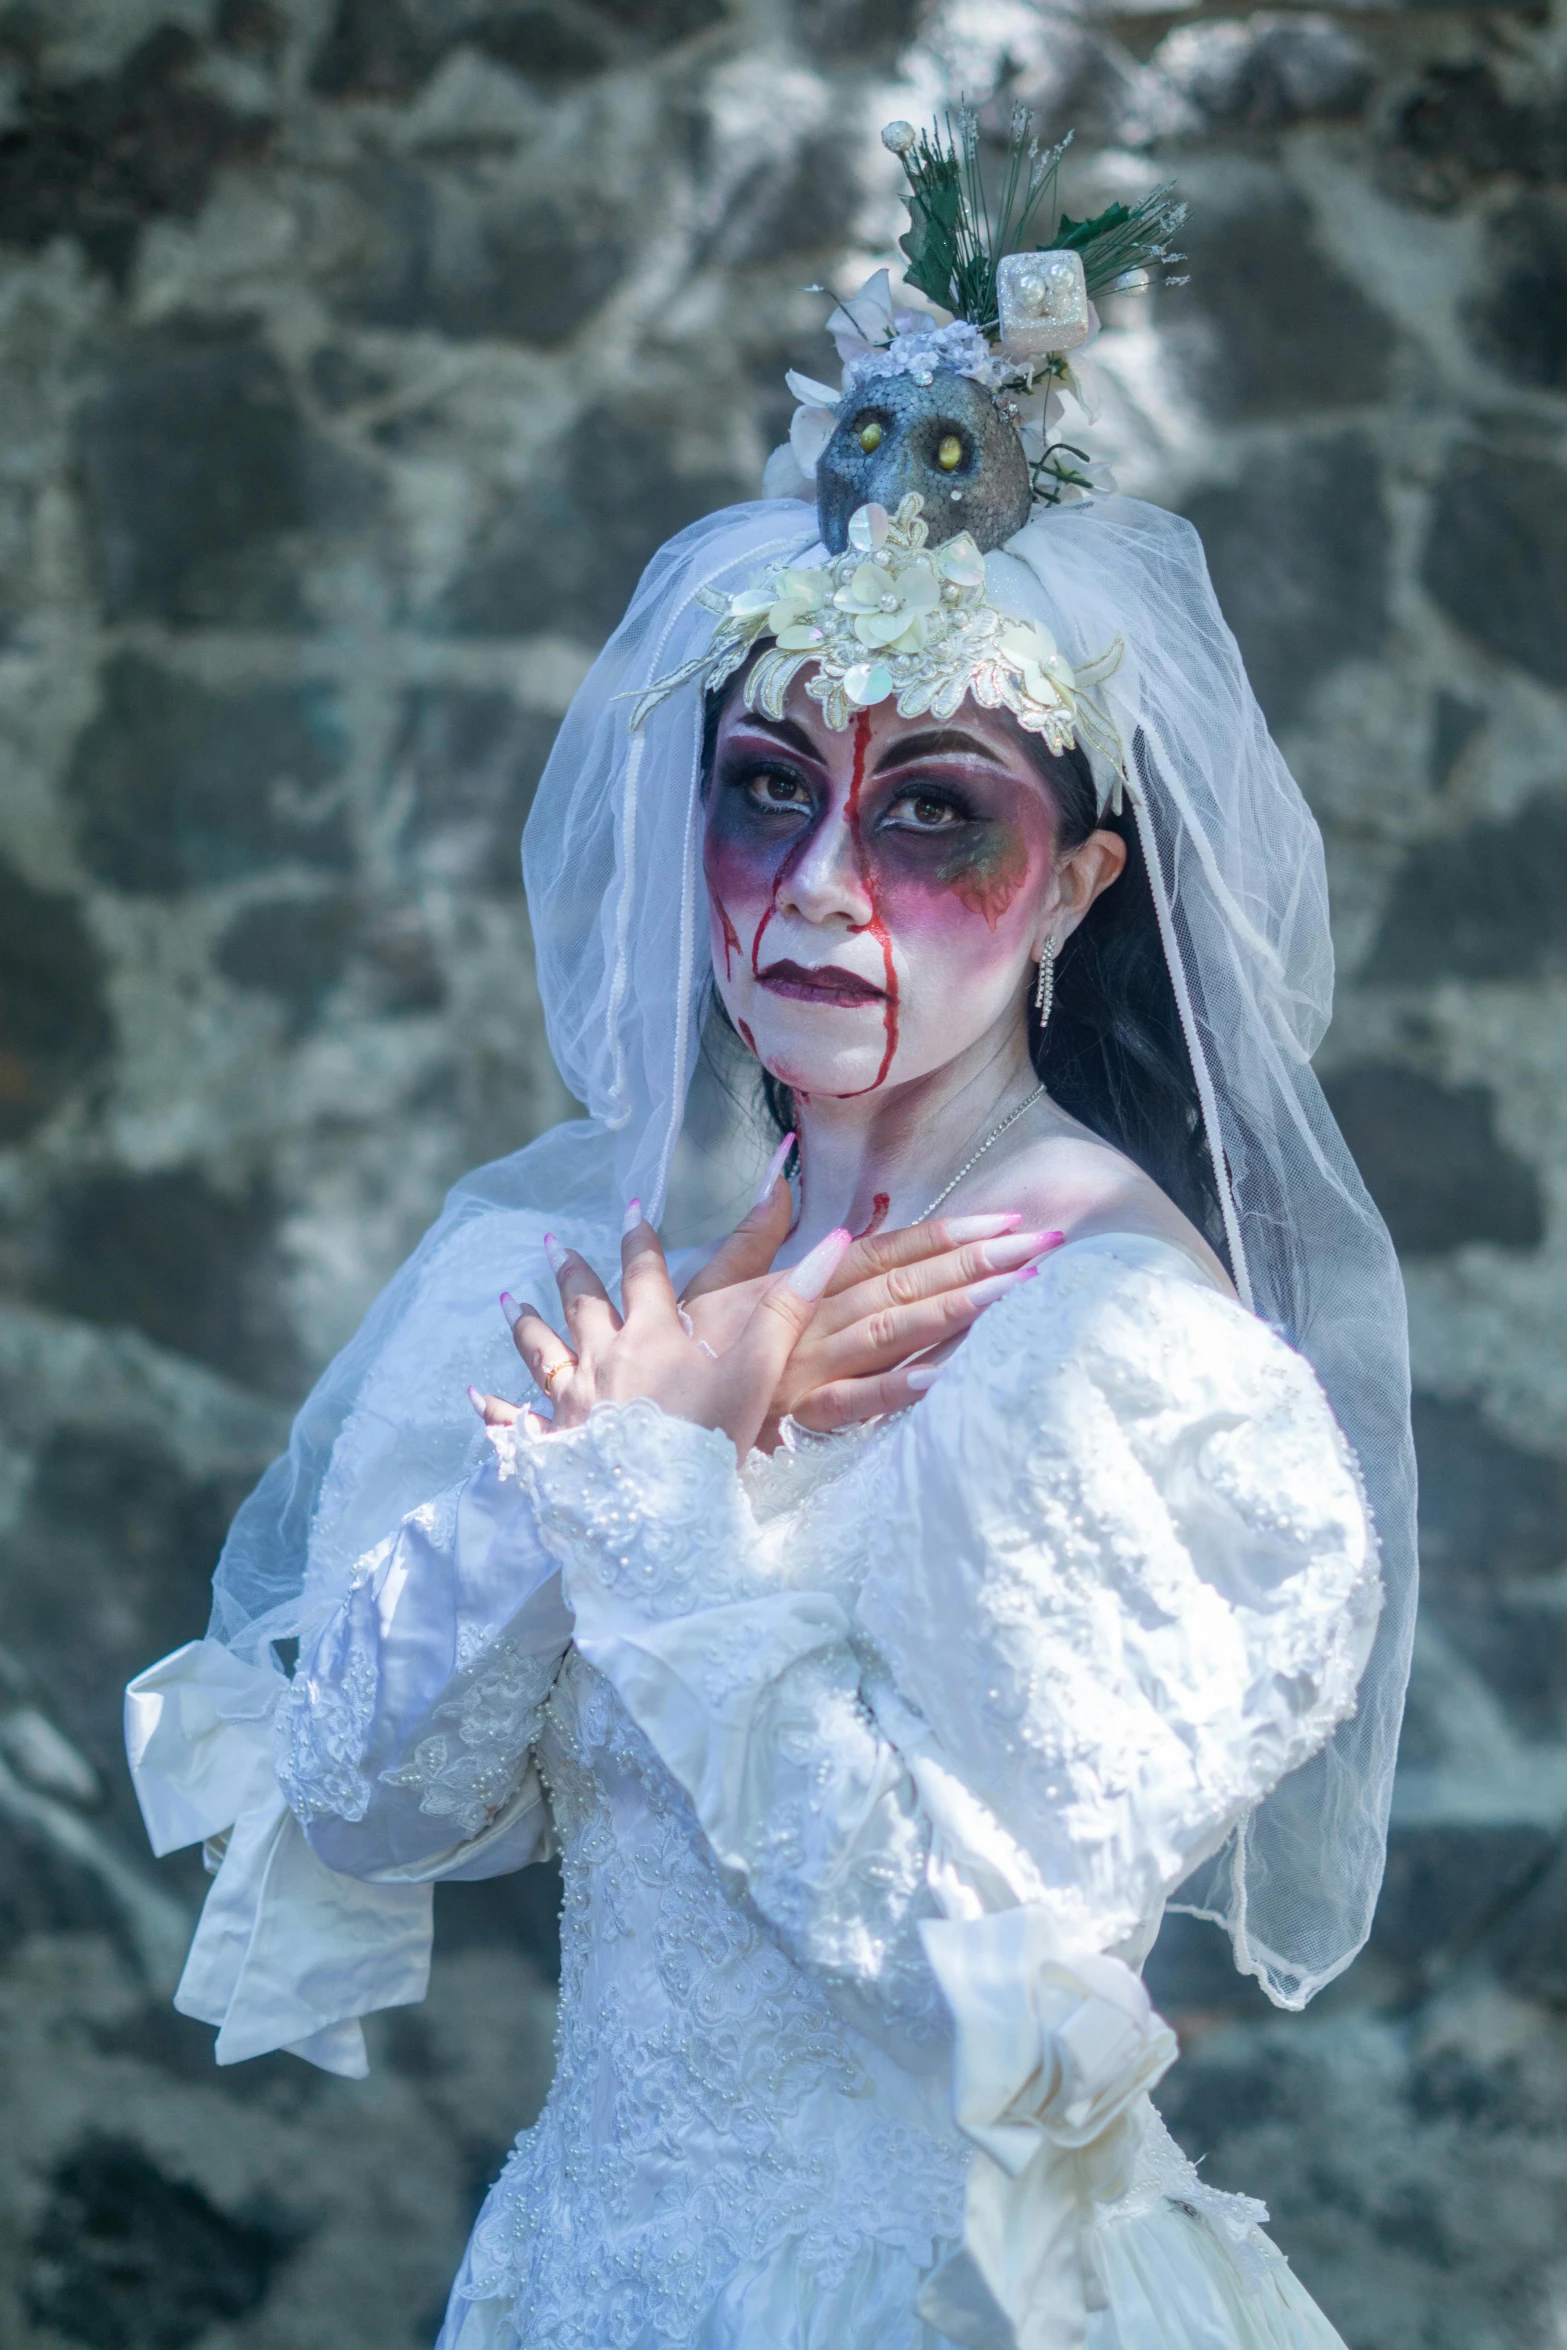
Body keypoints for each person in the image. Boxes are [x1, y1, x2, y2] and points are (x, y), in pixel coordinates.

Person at [125, 115, 1415, 2350]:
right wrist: (629, 1438)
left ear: (1082, 886)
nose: (820, 887)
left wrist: (652, 1493)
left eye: (935, 816)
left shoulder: (1121, 1356)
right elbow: (363, 1788)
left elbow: (982, 1985)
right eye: (764, 789)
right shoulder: (602, 1286)